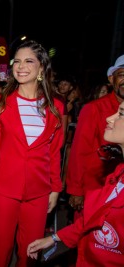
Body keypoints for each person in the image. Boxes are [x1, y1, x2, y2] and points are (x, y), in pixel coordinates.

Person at [0, 40, 64, 266]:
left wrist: (56, 187)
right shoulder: (1, 102)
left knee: (31, 251)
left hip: (38, 191)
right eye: (17, 61)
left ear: (41, 68)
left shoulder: (56, 107)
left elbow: (55, 152)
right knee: (0, 247)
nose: (21, 66)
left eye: (29, 61)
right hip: (4, 190)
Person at [27, 100, 124, 266]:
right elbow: (93, 219)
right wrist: (54, 238)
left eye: (121, 114)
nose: (109, 118)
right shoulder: (117, 174)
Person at [66, 55, 124, 214]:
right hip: (95, 191)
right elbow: (79, 151)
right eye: (122, 75)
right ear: (112, 79)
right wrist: (76, 190)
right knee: (86, 237)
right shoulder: (94, 109)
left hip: (121, 193)